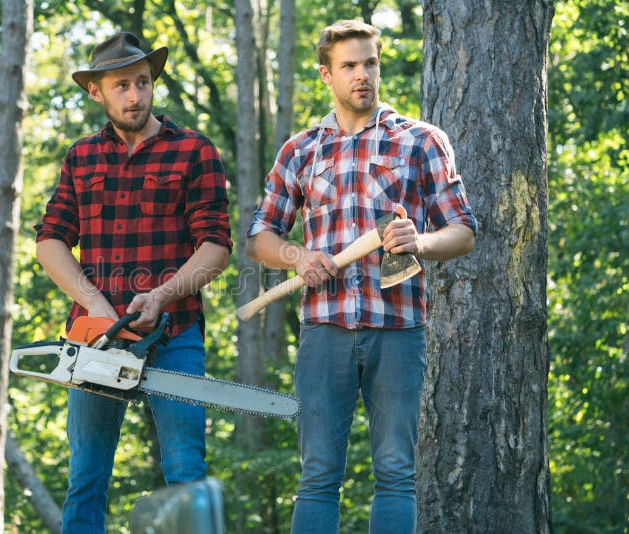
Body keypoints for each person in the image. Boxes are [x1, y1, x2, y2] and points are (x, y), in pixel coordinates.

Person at [245, 20, 477, 534]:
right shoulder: (301, 150)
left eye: (370, 63)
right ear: (326, 74)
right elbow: (260, 237)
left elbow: (463, 231)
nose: (362, 75)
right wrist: (297, 255)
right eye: (349, 65)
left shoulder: (420, 141)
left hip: (398, 330)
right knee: (318, 475)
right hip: (323, 331)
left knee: (396, 473)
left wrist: (421, 242)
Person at [34, 31, 232, 533]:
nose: (135, 95)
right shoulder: (81, 158)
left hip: (174, 334)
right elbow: (50, 241)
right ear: (97, 91)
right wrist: (95, 304)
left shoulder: (193, 151)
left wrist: (162, 295)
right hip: (97, 338)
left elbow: (216, 246)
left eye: (142, 83)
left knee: (186, 474)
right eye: (122, 85)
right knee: (86, 478)